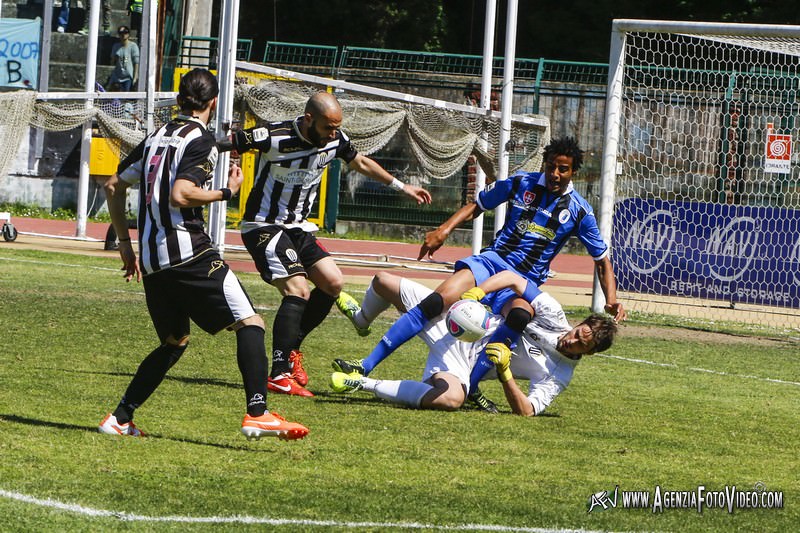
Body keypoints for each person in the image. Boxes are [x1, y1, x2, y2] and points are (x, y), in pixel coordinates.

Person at [333, 136, 626, 409]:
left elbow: (601, 260)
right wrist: (444, 230)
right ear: (545, 164)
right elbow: (478, 205)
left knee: (520, 316)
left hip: (523, 282)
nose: (556, 174)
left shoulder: (579, 211)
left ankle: (471, 385)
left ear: (573, 172)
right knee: (438, 300)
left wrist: (610, 299)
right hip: (490, 262)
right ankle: (366, 364)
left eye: (563, 170)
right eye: (551, 167)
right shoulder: (520, 183)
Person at [98, 68, 308, 440]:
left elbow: (113, 185)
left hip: (151, 260)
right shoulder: (201, 140)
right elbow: (182, 193)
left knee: (174, 341)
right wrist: (226, 192)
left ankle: (120, 418)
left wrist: (126, 245)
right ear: (212, 102)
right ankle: (257, 413)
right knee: (251, 321)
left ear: (180, 99)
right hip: (188, 253)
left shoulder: (157, 136)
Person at [218, 91, 432, 397]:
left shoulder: (335, 140)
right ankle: (278, 373)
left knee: (333, 283)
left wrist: (401, 186)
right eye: (328, 127)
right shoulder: (275, 135)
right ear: (309, 119)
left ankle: (291, 352)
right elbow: (226, 142)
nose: (333, 134)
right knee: (299, 290)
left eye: (336, 127)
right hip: (264, 225)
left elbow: (361, 162)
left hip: (300, 229)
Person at [330, 271, 617, 415]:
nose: (571, 340)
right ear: (580, 324)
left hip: (462, 364)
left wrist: (505, 373)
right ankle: (362, 319)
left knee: (451, 399)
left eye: (580, 344)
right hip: (460, 320)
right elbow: (512, 279)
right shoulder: (555, 315)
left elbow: (527, 410)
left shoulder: (559, 374)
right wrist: (477, 293)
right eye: (578, 332)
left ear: (589, 353)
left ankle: (361, 383)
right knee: (383, 281)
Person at [107, 26, 139, 91]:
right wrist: (114, 58)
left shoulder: (133, 46)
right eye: (121, 33)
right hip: (117, 76)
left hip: (128, 77)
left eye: (125, 32)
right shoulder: (116, 46)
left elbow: (136, 62)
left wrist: (135, 77)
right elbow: (112, 62)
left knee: (126, 95)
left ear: (128, 34)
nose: (123, 35)